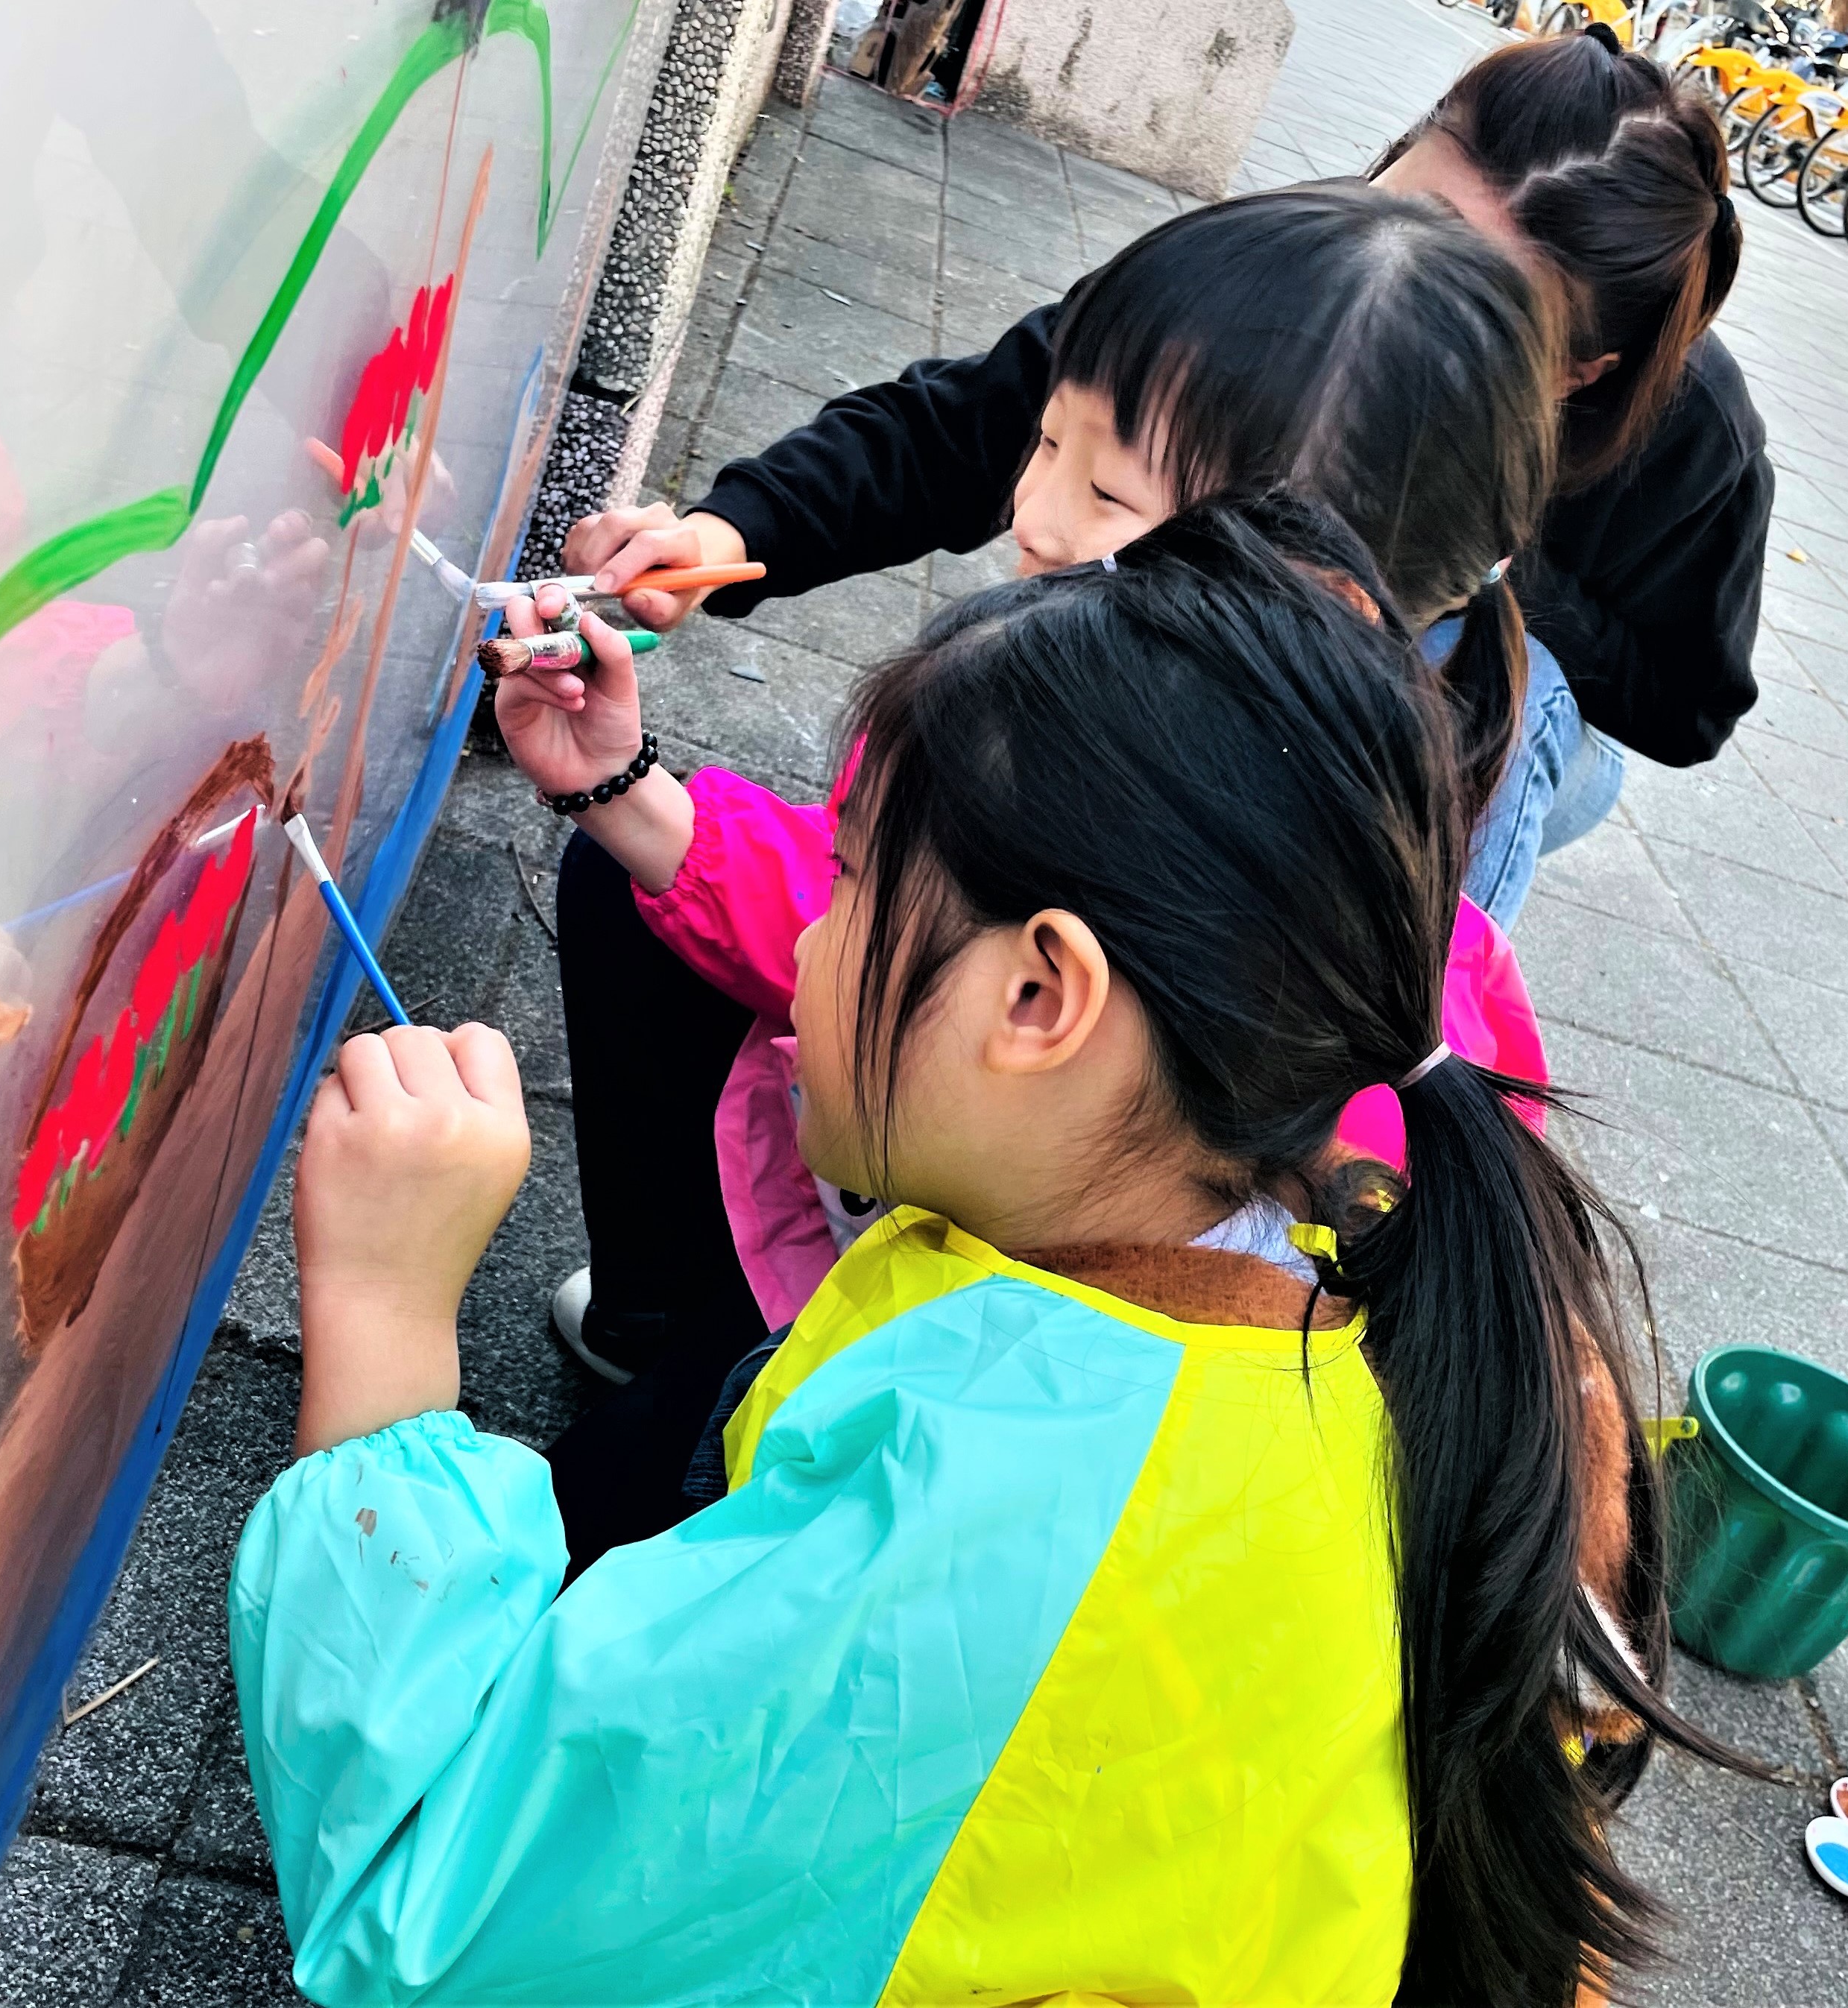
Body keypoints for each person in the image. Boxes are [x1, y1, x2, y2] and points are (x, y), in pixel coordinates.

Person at [233, 515, 1714, 2006]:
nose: (813, 939)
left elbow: (426, 1896)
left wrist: (384, 1312)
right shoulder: (1345, 1273)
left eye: (854, 878)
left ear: (1039, 998)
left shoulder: (985, 1543)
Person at [510, 187, 1565, 1559]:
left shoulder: (1208, 912)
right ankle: (677, 1368)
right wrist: (623, 789)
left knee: (613, 1518)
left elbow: (853, 943)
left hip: (973, 1433)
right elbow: (857, 928)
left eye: (1110, 487)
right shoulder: (1136, 734)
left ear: (1324, 592)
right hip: (926, 1287)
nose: (1037, 516)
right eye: (1046, 442)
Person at [572, 28, 1765, 871]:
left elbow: (1690, 704)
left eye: (1473, 304)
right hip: (1268, 645)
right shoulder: (1300, 276)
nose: (1386, 279)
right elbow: (980, 418)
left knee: (1487, 710)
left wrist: (1474, 561)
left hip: (1488, 698)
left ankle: (1400, 1060)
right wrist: (730, 533)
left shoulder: (1692, 441)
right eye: (1397, 214)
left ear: (1581, 370)